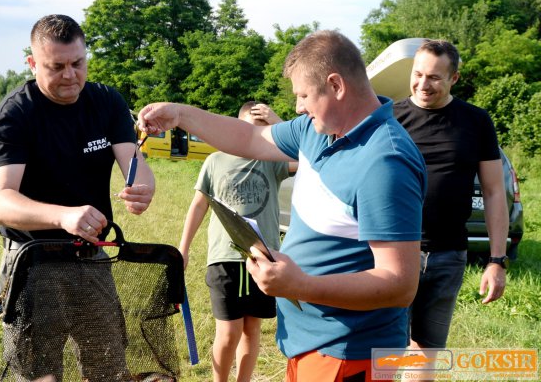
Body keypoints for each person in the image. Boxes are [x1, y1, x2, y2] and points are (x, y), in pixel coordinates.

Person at [139, 30, 427, 382]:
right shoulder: (317, 130)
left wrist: (301, 285)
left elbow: (399, 284)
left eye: (303, 95)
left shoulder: (385, 160)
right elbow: (248, 137)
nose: (297, 108)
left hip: (349, 352)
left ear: (336, 85)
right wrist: (181, 114)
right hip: (309, 342)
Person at [0, 14, 154, 381]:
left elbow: (133, 162)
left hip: (92, 256)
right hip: (33, 260)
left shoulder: (106, 102)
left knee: (107, 365)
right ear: (32, 63)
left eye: (77, 63)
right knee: (38, 372)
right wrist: (62, 216)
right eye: (56, 66)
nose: (70, 75)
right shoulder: (15, 115)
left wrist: (143, 187)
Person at [393, 39, 508, 381]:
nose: (423, 84)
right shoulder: (389, 118)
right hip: (392, 254)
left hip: (447, 255)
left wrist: (496, 260)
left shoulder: (476, 122)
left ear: (454, 78)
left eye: (434, 77)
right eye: (418, 74)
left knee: (426, 351)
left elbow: (493, 191)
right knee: (382, 349)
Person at [179, 101, 293, 382]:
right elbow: (198, 205)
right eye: (253, 130)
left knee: (252, 330)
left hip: (263, 259)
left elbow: (309, 156)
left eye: (265, 132)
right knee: (228, 332)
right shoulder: (215, 161)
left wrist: (278, 122)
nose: (259, 137)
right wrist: (183, 248)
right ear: (238, 127)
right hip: (224, 258)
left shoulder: (272, 162)